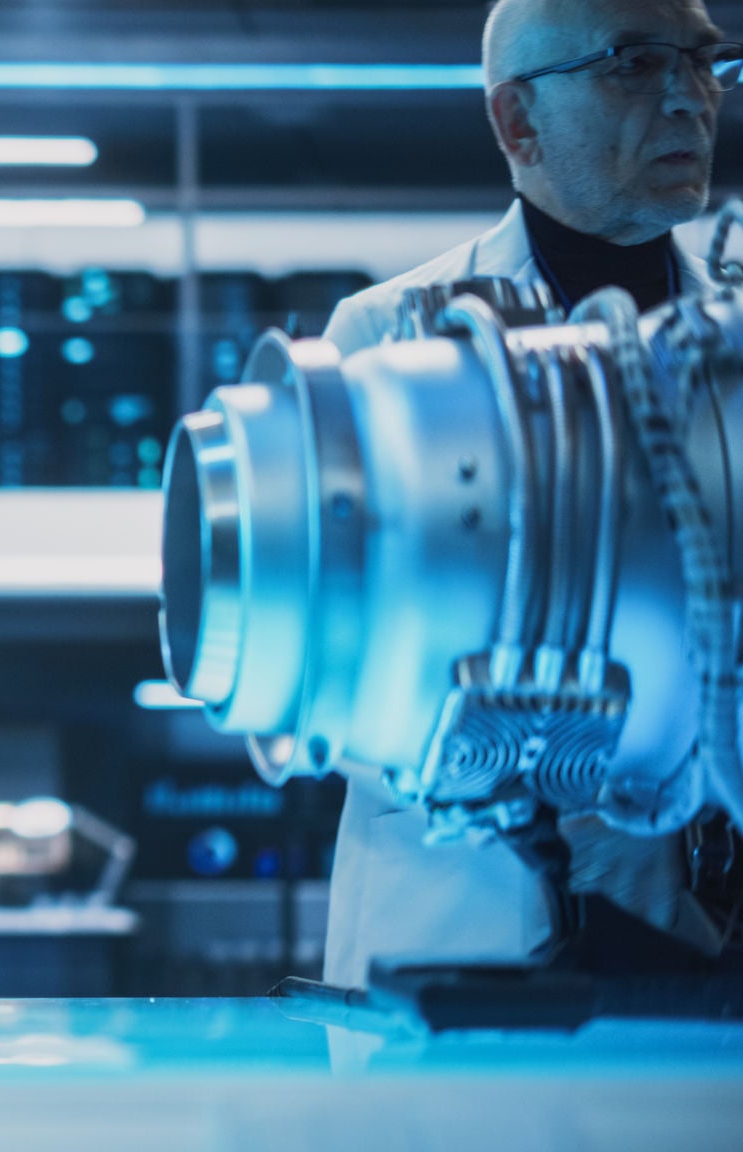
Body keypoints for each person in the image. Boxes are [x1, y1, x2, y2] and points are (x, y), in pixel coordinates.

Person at [320, 0, 737, 990]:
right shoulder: (390, 345)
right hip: (485, 936)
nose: (688, 100)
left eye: (702, 61)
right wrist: (585, 774)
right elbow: (330, 672)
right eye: (634, 65)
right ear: (516, 122)